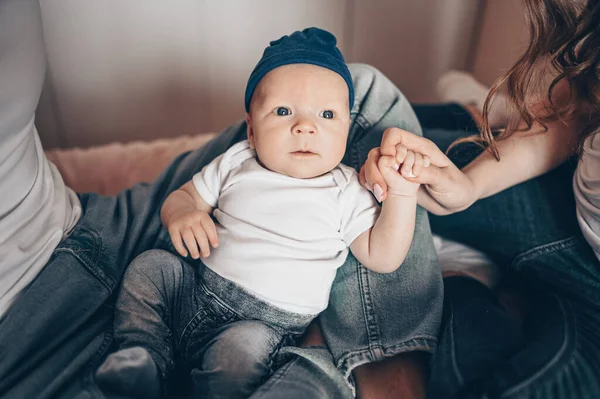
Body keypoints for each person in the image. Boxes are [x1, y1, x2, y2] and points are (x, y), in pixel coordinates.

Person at [0, 1, 443, 398]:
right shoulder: (238, 160)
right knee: (152, 268)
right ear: (251, 128)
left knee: (241, 354)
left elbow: (382, 257)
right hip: (193, 290)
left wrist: (402, 195)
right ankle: (141, 354)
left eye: (327, 116)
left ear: (347, 132)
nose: (305, 127)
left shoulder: (347, 189)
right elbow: (185, 196)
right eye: (283, 112)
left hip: (262, 323)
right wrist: (184, 214)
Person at [361, 0, 600, 397]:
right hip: (563, 202)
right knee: (362, 134)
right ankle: (470, 113)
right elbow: (573, 112)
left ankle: (465, 283)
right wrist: (468, 187)